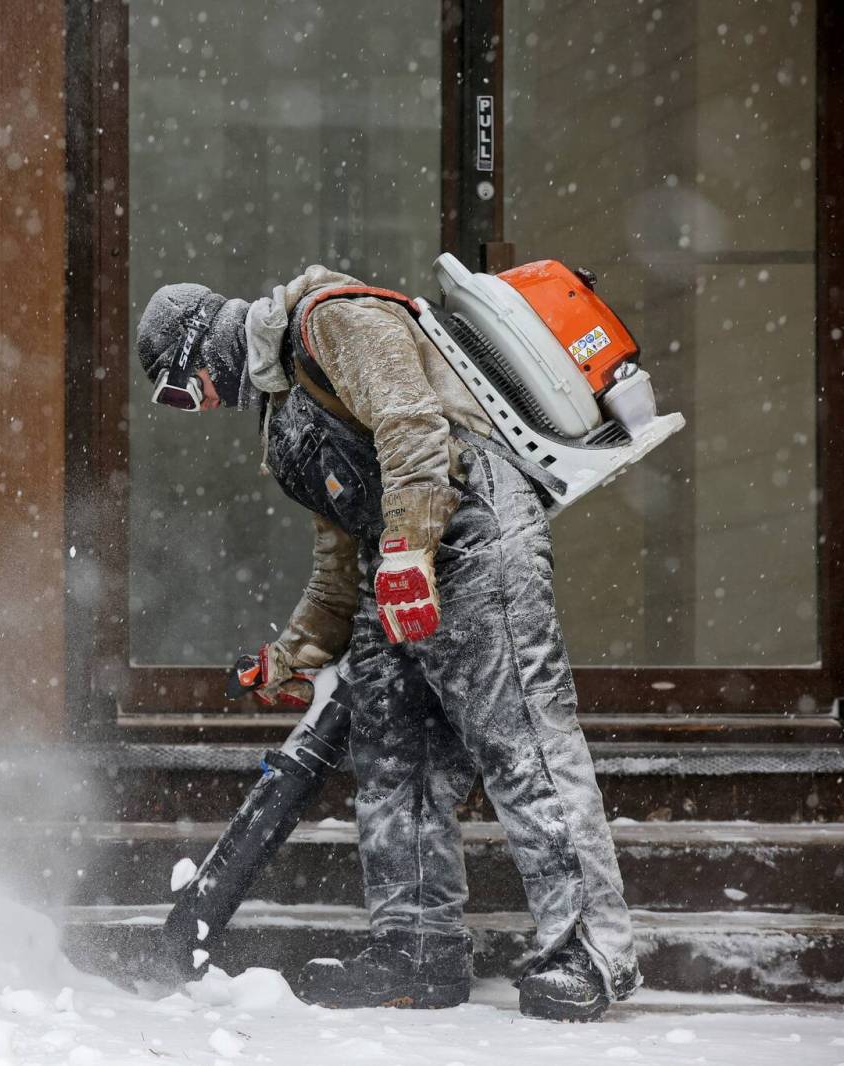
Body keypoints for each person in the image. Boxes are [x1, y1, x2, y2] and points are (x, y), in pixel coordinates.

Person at [135, 264, 641, 1023]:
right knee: (394, 759)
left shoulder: (330, 319)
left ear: (204, 345)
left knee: (523, 743)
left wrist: (408, 548)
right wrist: (293, 653)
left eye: (183, 390)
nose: (197, 405)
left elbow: (412, 425)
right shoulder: (282, 416)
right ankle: (417, 951)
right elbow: (338, 556)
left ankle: (591, 951)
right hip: (396, 564)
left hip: (472, 534)